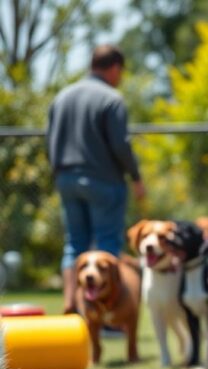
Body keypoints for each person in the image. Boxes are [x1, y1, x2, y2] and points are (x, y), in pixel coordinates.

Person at [47, 45, 145, 314]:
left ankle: (72, 307)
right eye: (121, 72)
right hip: (104, 181)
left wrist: (59, 173)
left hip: (66, 178)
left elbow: (50, 141)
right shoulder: (111, 98)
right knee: (107, 244)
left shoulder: (62, 96)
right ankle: (108, 310)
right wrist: (136, 177)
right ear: (114, 68)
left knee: (74, 245)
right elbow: (121, 145)